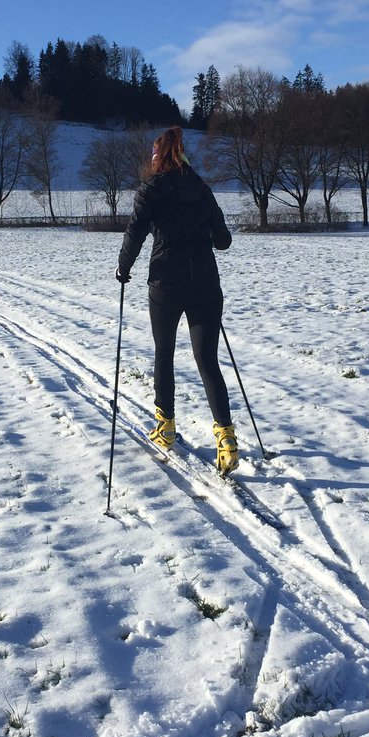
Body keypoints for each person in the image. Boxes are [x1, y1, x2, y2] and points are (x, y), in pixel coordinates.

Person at [115, 126, 238, 475]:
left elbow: (135, 231)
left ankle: (165, 427)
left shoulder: (151, 189)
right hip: (205, 285)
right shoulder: (201, 189)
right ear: (183, 156)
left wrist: (123, 268)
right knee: (207, 360)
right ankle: (227, 439)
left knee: (164, 354)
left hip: (166, 284)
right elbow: (224, 240)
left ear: (157, 158)